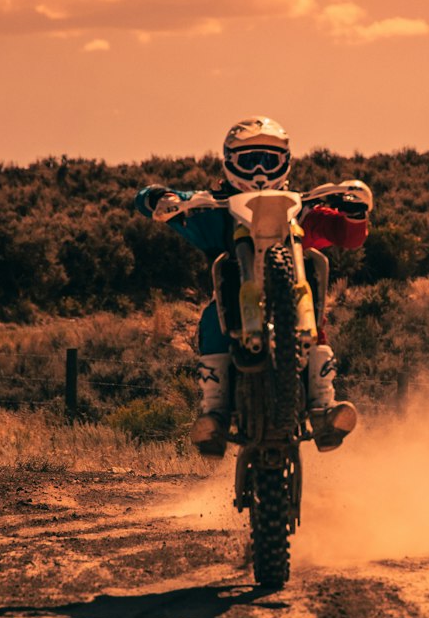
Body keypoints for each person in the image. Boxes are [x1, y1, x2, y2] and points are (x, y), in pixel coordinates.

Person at [134, 117, 372, 456]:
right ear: (230, 162)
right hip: (230, 306)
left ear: (285, 163)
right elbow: (153, 200)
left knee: (316, 291)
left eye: (268, 160)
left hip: (293, 302)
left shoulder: (299, 209)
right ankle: (213, 412)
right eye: (249, 160)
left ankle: (324, 406)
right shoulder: (214, 207)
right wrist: (160, 197)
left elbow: (349, 236)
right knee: (211, 319)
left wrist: (353, 211)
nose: (259, 169)